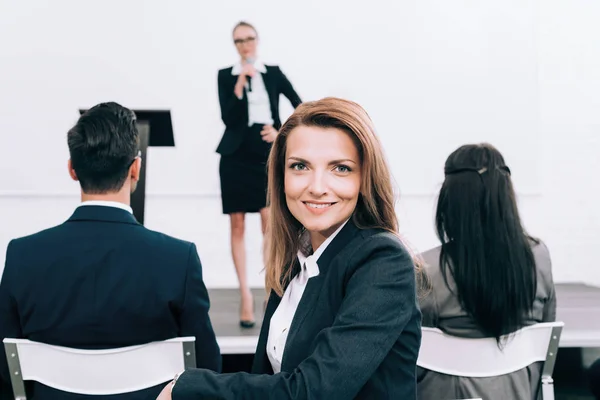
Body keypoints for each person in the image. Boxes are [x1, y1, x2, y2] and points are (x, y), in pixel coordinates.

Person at [156, 97, 421, 399]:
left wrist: (191, 387)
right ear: (281, 176)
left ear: (365, 178)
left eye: (341, 169)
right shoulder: (296, 260)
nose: (317, 186)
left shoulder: (383, 262)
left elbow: (313, 392)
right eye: (300, 166)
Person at [0, 102, 221, 400]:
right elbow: (208, 373)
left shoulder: (22, 257)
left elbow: (5, 372)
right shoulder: (178, 260)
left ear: (72, 169)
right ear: (135, 169)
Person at [417, 143, 557, 400]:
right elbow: (546, 329)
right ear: (507, 198)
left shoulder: (427, 269)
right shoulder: (539, 257)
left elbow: (412, 351)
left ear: (450, 201)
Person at [216, 21, 303, 327]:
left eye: (249, 38)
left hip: (265, 153)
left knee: (270, 223)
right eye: (239, 40)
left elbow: (299, 105)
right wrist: (240, 83)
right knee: (237, 225)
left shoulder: (274, 72)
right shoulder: (226, 76)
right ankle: (245, 295)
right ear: (234, 44)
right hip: (235, 154)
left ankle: (270, 289)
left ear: (257, 40)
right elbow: (228, 116)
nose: (245, 45)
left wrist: (280, 133)